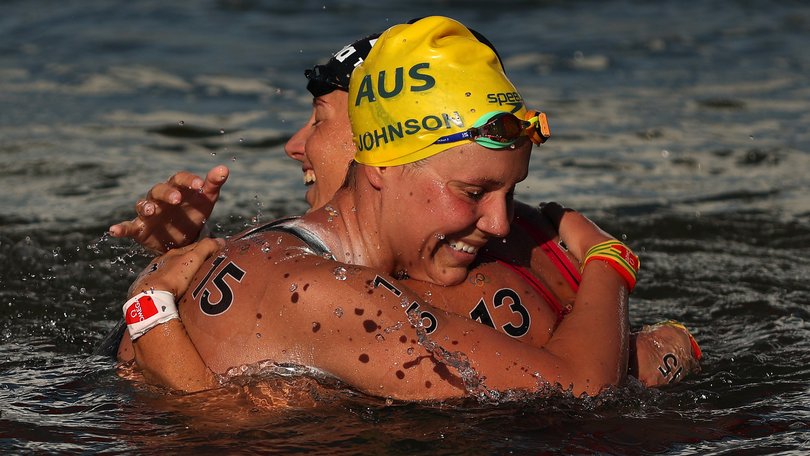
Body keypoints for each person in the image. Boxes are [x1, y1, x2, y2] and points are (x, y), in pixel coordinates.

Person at [110, 17, 700, 394]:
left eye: (510, 191)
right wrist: (609, 259)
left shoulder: (370, 264)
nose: (498, 221)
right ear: (383, 166)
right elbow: (582, 388)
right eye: (473, 193)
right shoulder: (323, 293)